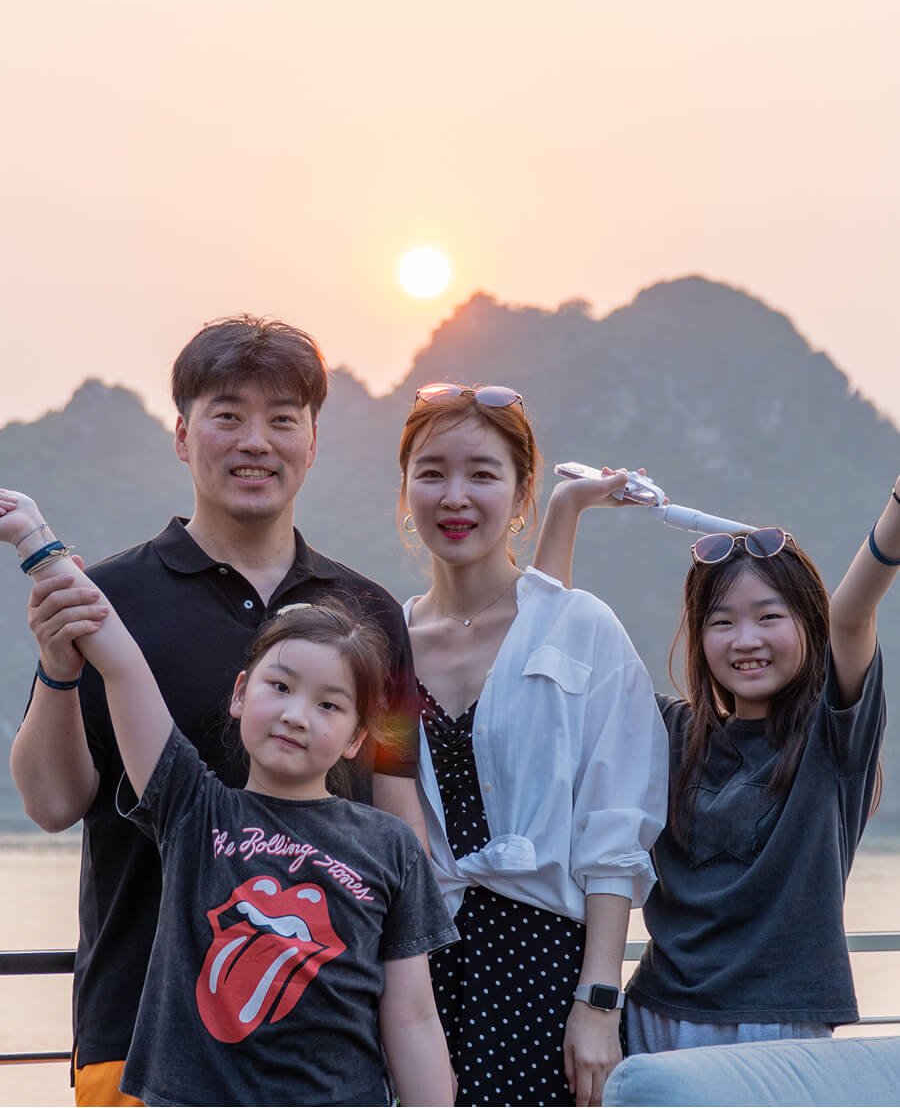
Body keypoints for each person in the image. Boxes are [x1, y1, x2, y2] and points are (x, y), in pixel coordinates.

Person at [9, 316, 426, 1106]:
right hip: (136, 1041)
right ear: (182, 435)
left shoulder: (372, 618)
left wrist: (407, 1016)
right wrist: (60, 671)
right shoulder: (109, 598)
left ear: (313, 441)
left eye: (282, 419)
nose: (255, 442)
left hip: (322, 1056)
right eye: (227, 415)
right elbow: (51, 803)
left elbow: (396, 810)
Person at [534, 467, 898, 1053]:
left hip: (778, 1030)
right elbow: (553, 653)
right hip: (651, 1019)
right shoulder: (668, 731)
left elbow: (852, 615)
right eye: (722, 622)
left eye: (769, 617)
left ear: (809, 625)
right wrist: (566, 507)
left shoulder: (832, 736)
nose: (745, 639)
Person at [396, 384, 669, 1106]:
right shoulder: (383, 646)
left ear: (521, 497)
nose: (455, 496)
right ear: (406, 492)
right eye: (432, 473)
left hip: (548, 971)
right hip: (416, 975)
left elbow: (613, 827)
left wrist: (599, 1002)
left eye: (482, 474)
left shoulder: (582, 628)